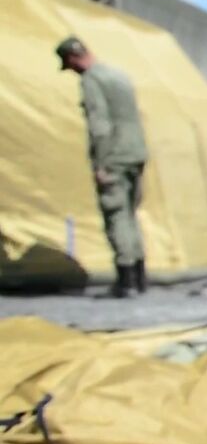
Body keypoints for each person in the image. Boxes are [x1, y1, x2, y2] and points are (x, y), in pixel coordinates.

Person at [57, 36, 149, 297]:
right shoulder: (117, 74)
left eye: (69, 64)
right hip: (136, 152)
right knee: (130, 215)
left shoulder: (92, 80)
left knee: (116, 216)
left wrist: (102, 163)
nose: (72, 71)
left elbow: (100, 126)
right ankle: (140, 278)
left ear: (74, 57)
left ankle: (126, 280)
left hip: (115, 156)